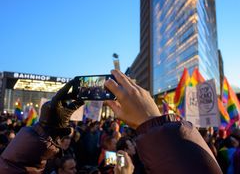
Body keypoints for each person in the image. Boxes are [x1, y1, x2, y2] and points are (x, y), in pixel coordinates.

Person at [0, 70, 223, 174]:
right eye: (71, 168)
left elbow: (13, 169)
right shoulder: (107, 150)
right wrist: (154, 123)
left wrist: (47, 129)